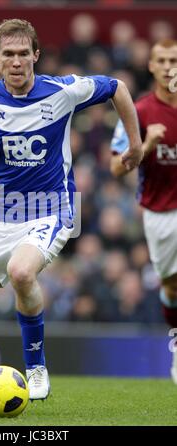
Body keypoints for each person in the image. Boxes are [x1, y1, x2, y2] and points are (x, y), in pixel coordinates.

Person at [0, 18, 142, 411]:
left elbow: (118, 88)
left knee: (21, 271)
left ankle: (36, 366)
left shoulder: (61, 91)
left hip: (54, 209)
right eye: (8, 54)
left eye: (23, 54)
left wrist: (135, 144)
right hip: (0, 216)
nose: (16, 62)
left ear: (36, 56)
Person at [109, 39, 177, 382]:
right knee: (172, 286)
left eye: (174, 60)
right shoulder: (139, 112)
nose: (168, 67)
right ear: (150, 66)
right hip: (160, 211)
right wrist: (146, 145)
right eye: (162, 60)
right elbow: (116, 168)